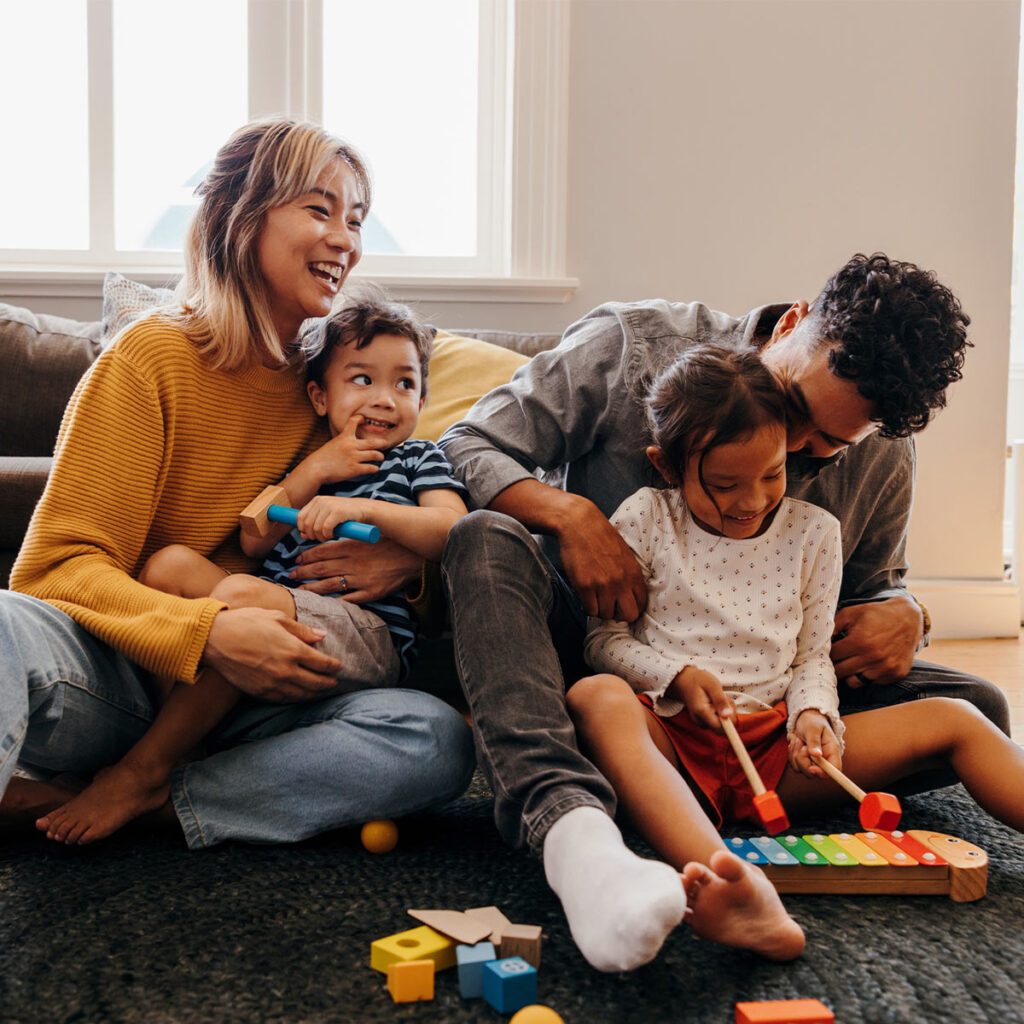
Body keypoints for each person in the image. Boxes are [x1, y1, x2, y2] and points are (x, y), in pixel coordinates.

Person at [439, 253, 1010, 972]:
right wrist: (571, 517)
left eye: (826, 449)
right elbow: (465, 443)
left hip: (770, 695)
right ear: (796, 323)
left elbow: (871, 591)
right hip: (595, 653)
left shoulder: (884, 452)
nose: (793, 452)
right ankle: (569, 821)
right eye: (796, 411)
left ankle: (680, 789)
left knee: (976, 704)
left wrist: (908, 611)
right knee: (483, 541)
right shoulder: (629, 347)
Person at [0, 118, 475, 850]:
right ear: (240, 215)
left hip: (265, 694)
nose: (346, 240)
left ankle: (151, 797)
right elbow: (54, 570)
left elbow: (399, 514)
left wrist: (408, 565)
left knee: (433, 738)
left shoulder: (335, 386)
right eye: (319, 209)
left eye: (355, 220)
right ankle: (137, 777)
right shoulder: (151, 357)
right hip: (121, 675)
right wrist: (207, 633)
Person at [567, 344, 1024, 961]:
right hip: (672, 740)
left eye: (772, 475)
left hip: (780, 751)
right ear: (668, 467)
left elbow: (812, 659)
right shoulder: (646, 517)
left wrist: (814, 715)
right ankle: (734, 881)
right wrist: (677, 676)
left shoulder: (815, 533)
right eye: (724, 484)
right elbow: (604, 642)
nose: (751, 501)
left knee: (959, 717)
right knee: (593, 696)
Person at [33, 297, 469, 846]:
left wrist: (367, 511)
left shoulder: (418, 458)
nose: (384, 399)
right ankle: (186, 743)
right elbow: (254, 535)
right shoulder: (314, 460)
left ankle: (146, 770)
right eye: (362, 379)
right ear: (320, 395)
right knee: (170, 566)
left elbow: (453, 529)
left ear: (423, 399)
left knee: (242, 592)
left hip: (363, 634)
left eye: (404, 385)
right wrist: (313, 472)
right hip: (272, 617)